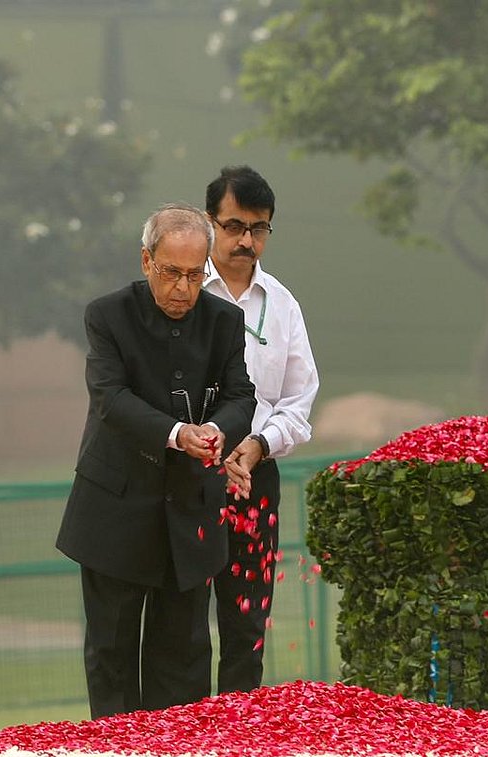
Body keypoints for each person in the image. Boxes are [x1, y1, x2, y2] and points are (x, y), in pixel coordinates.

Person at [56, 203, 257, 718]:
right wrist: (176, 434)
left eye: (195, 275)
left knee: (184, 660)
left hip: (190, 513)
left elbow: (241, 396)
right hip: (115, 509)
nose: (182, 289)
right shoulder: (107, 315)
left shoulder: (225, 321)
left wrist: (217, 430)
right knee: (112, 657)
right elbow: (110, 398)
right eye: (171, 273)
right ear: (146, 260)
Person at [203, 165, 320, 695]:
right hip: (187, 473)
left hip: (255, 473)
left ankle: (238, 727)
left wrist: (256, 445)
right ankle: (177, 731)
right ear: (210, 222)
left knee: (247, 626)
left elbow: (298, 400)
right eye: (233, 226)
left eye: (258, 228)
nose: (246, 241)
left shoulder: (282, 303)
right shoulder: (184, 290)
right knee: (181, 623)